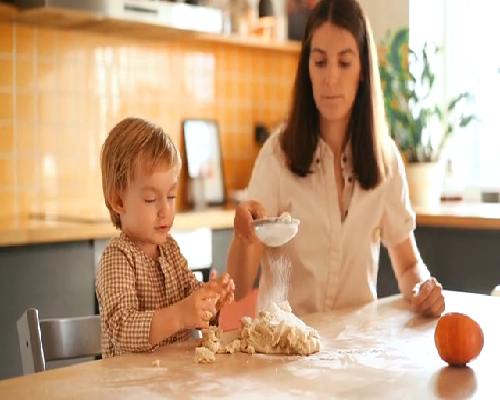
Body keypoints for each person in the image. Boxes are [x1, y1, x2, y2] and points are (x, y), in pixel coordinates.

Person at [228, 0, 445, 318]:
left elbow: (409, 265)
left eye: (344, 63)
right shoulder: (276, 157)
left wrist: (423, 290)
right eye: (320, 62)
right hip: (286, 344)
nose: (330, 77)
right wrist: (243, 234)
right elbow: (238, 286)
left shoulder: (386, 161)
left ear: (362, 70)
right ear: (307, 69)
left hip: (358, 344)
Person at [96, 117, 234, 358]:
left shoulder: (170, 250)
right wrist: (179, 315)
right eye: (151, 199)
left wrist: (211, 299)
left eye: (170, 196)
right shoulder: (117, 258)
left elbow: (191, 297)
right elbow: (122, 328)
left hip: (174, 377)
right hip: (130, 380)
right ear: (118, 201)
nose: (165, 210)